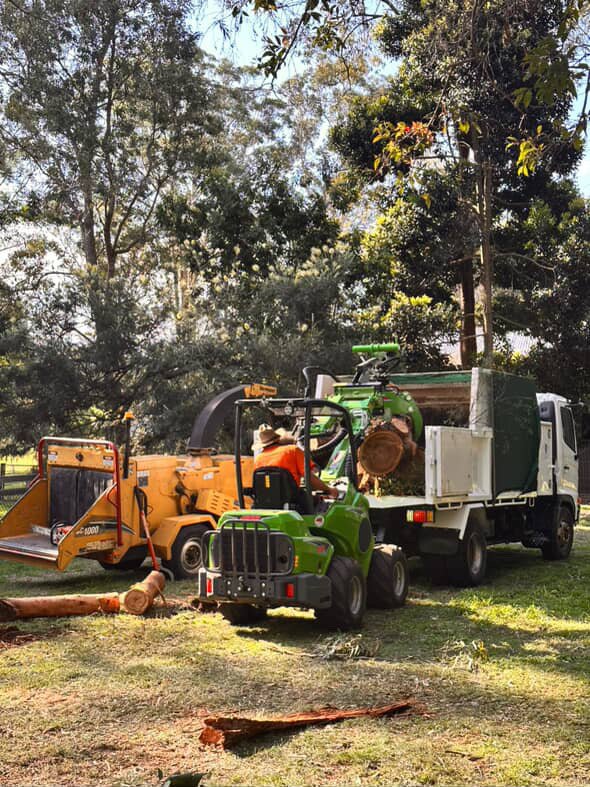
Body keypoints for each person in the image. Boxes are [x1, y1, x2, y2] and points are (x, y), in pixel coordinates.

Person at [254, 425, 338, 498]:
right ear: (278, 439)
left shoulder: (258, 459)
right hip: (294, 500)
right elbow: (309, 478)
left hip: (267, 501)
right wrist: (329, 489)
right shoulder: (292, 450)